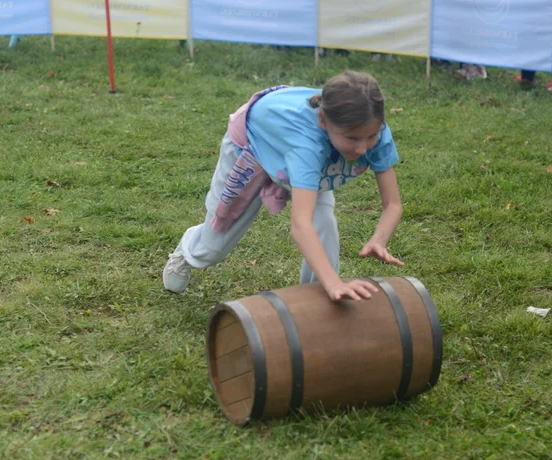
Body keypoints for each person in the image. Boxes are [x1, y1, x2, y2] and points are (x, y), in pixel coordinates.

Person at [163, 71, 405, 301]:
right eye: (352, 138)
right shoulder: (306, 145)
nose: (363, 148)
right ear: (323, 122)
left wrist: (379, 240)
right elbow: (300, 225)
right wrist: (336, 282)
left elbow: (392, 204)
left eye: (370, 137)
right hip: (253, 145)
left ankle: (318, 297)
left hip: (301, 152)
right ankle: (188, 248)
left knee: (324, 223)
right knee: (213, 248)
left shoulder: (373, 129)